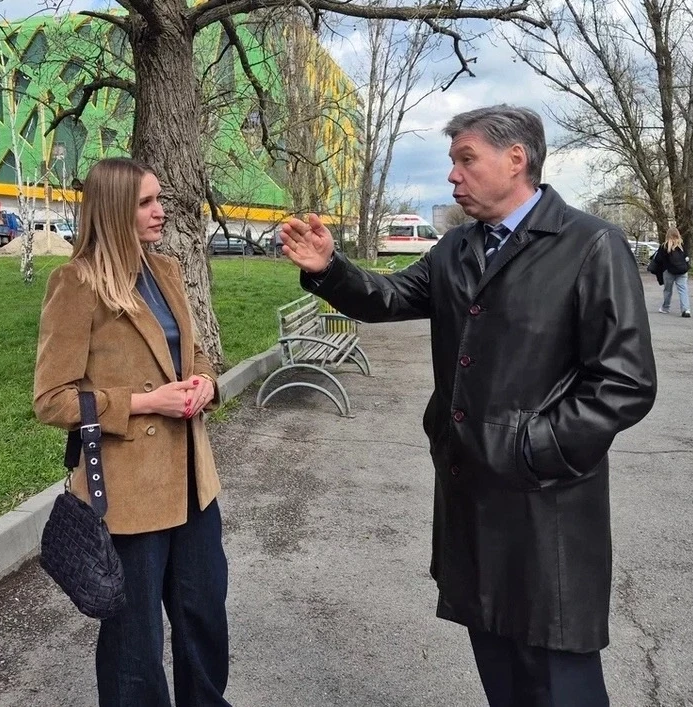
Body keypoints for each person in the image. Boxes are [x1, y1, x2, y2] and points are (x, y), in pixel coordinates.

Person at [280, 105, 657, 706]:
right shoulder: (457, 246)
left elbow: (625, 381)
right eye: (452, 161)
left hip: (547, 500)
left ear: (516, 159)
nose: (453, 175)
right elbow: (389, 297)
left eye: (466, 159)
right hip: (470, 492)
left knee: (557, 673)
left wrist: (532, 448)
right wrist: (330, 268)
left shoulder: (590, 244)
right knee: (498, 663)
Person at [34, 157, 231, 707]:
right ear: (115, 211)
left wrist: (205, 384)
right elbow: (51, 399)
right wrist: (146, 403)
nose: (160, 211)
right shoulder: (76, 283)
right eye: (146, 202)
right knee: (135, 645)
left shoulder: (166, 271)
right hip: (128, 493)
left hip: (193, 483)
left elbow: (198, 354)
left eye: (159, 199)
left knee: (204, 619)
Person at [654, 226, 692, 317]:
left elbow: (658, 260)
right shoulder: (682, 245)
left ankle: (665, 308)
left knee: (668, 290)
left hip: (669, 271)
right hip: (682, 271)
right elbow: (686, 258)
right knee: (683, 290)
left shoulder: (664, 246)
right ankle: (686, 310)